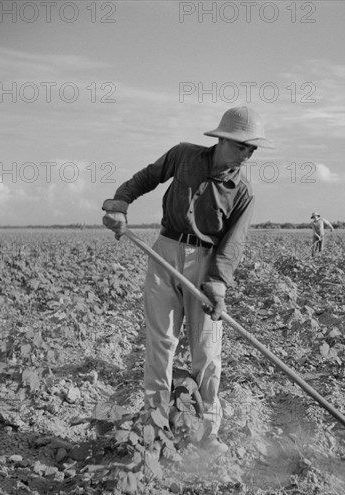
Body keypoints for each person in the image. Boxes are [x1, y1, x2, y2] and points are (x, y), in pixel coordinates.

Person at [101, 106, 274, 455]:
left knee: (206, 349)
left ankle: (207, 432)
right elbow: (147, 177)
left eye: (252, 149)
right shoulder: (183, 156)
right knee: (161, 342)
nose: (248, 154)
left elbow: (233, 243)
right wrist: (120, 203)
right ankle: (155, 424)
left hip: (205, 262)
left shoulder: (242, 191)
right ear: (223, 139)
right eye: (243, 146)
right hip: (164, 253)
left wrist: (218, 283)